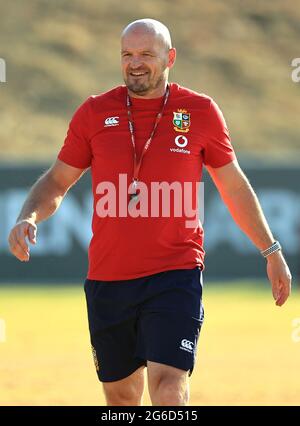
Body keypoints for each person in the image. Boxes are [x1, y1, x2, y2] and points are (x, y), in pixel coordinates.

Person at [8, 18, 292, 406]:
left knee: (169, 388)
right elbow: (57, 182)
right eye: (127, 54)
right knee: (122, 400)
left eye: (146, 54)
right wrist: (29, 216)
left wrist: (271, 250)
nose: (135, 63)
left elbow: (234, 186)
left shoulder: (200, 111)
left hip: (175, 274)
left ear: (170, 57)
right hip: (108, 279)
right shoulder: (94, 113)